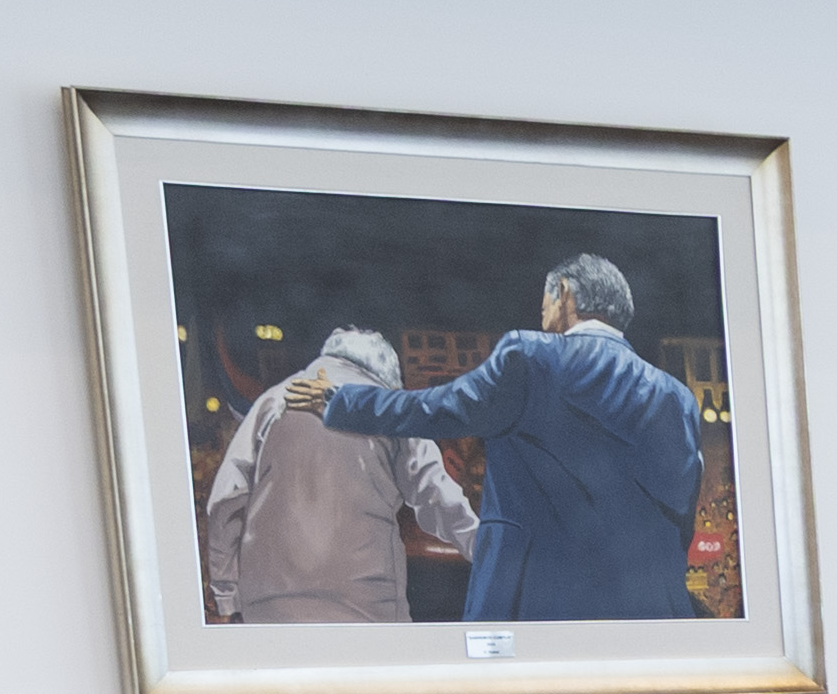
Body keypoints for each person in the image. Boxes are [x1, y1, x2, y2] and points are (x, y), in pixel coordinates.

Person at [285, 256, 706, 627]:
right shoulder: (678, 399)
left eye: (546, 299)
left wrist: (341, 401)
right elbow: (681, 508)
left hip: (532, 606)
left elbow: (437, 409)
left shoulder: (529, 358)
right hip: (648, 609)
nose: (542, 309)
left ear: (564, 293)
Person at [196, 328, 472, 624]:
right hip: (366, 604)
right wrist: (487, 551)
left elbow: (226, 500)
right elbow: (439, 496)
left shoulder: (271, 403)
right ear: (388, 376)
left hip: (269, 605)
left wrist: (227, 596)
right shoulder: (387, 409)